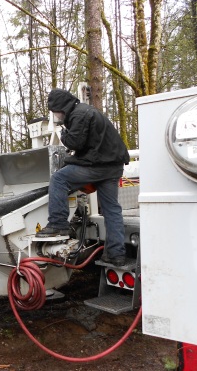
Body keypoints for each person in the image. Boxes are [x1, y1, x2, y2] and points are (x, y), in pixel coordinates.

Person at [37, 89, 130, 267]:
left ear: (61, 108)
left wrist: (63, 133)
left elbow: (74, 143)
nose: (55, 115)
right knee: (111, 210)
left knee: (59, 179)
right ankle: (116, 254)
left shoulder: (79, 115)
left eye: (55, 111)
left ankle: (58, 223)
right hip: (113, 166)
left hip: (99, 166)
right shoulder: (85, 110)